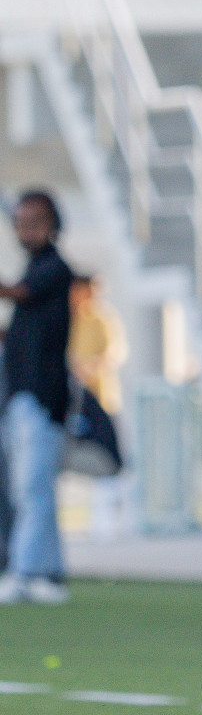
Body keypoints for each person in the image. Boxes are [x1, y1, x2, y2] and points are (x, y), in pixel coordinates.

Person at [0, 191, 75, 606]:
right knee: (33, 489)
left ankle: (26, 571)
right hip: (21, 396)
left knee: (32, 489)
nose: (25, 230)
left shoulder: (53, 268)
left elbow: (18, 294)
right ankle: (50, 573)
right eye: (20, 222)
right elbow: (24, 333)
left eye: (34, 221)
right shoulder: (34, 268)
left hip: (41, 398)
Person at [67, 275, 127, 416]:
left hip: (100, 394)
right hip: (72, 396)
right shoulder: (67, 318)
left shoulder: (103, 319)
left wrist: (90, 367)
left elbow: (115, 352)